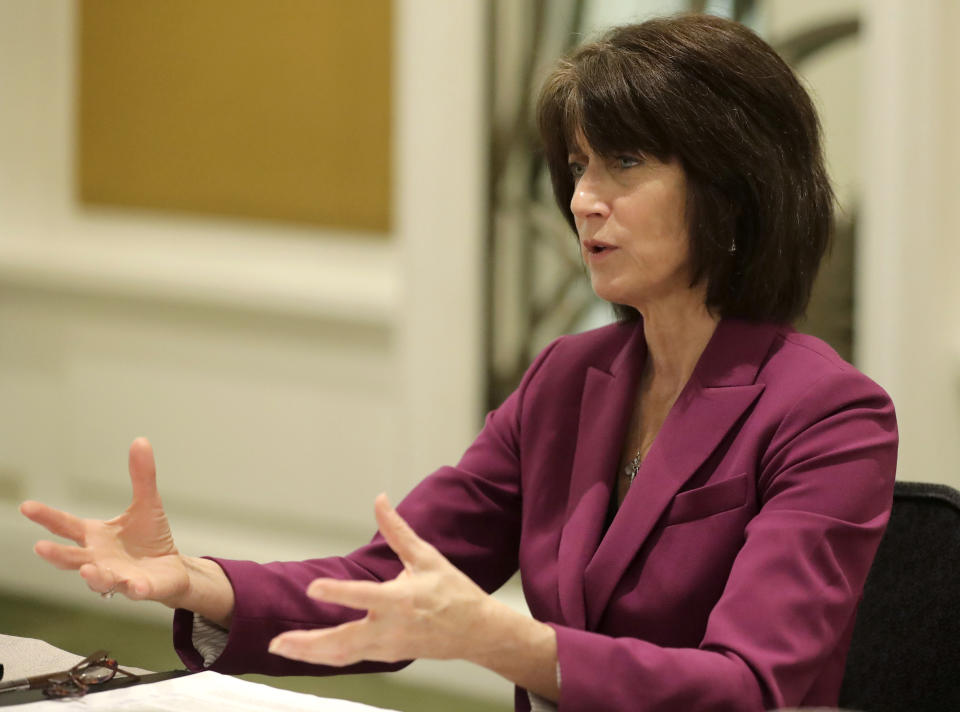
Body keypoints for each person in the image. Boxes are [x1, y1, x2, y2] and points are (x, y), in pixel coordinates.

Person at [20, 14, 897, 712]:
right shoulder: (569, 379)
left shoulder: (828, 413)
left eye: (625, 162)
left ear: (733, 185)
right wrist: (194, 582)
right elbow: (392, 586)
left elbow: (745, 688)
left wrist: (492, 637)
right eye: (579, 165)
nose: (584, 199)